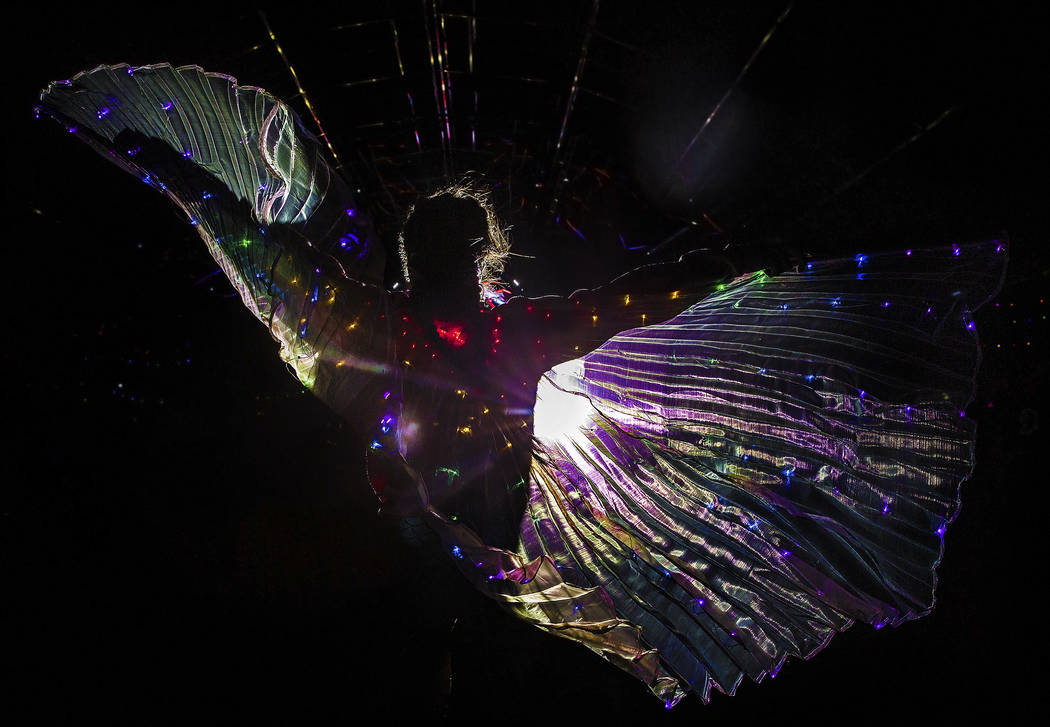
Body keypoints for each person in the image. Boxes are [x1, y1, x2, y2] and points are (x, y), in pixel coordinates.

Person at [37, 62, 1006, 708]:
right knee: (437, 646)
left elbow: (631, 299)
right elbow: (260, 252)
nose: (432, 263)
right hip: (415, 546)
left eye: (443, 249)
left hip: (468, 542)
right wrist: (171, 165)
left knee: (481, 650)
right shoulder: (383, 325)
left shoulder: (479, 329)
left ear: (466, 257)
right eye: (426, 248)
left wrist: (732, 265)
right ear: (423, 257)